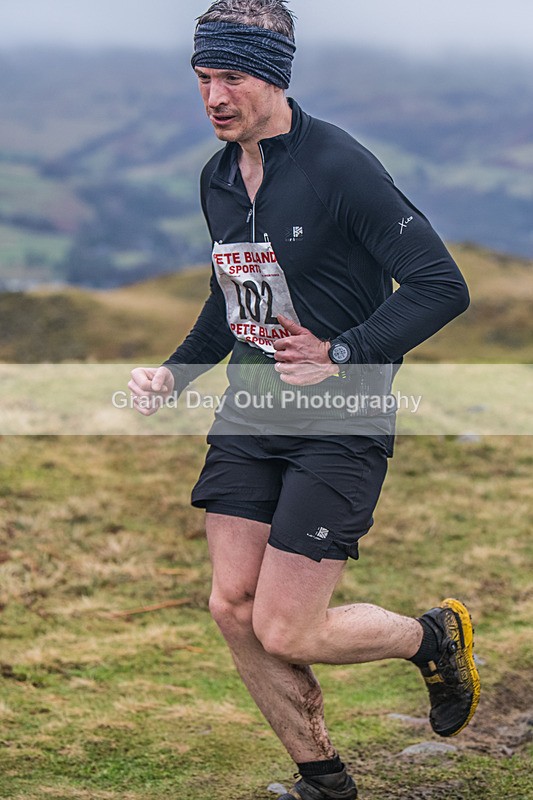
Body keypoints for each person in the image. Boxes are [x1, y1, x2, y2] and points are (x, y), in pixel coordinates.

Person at [129, 2, 480, 797]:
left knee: (287, 626)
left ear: (274, 77)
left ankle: (430, 638)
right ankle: (322, 779)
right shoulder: (218, 178)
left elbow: (440, 285)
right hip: (249, 414)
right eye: (203, 79)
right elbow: (233, 298)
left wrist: (342, 351)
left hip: (340, 420)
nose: (214, 97)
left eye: (232, 78)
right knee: (232, 604)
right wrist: (174, 374)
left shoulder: (337, 166)